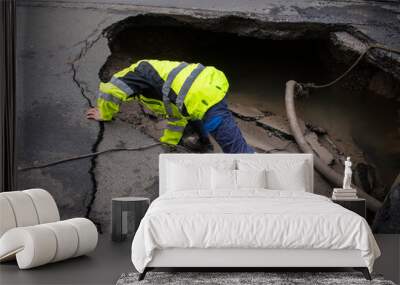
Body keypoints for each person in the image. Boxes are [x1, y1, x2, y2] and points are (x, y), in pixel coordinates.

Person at [86, 59, 254, 153]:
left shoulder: (133, 74)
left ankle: (255, 188)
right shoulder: (154, 83)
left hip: (201, 96)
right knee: (194, 116)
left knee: (238, 152)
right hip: (208, 83)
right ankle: (205, 145)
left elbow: (110, 90)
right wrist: (169, 143)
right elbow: (177, 117)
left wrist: (105, 113)